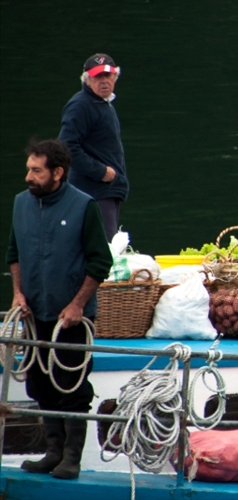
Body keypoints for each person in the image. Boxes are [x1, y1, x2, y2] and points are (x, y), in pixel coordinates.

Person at [7, 139, 112, 480]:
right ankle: (52, 452)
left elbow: (101, 261)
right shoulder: (21, 204)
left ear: (58, 172)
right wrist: (18, 294)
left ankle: (72, 457)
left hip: (72, 318)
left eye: (36, 171)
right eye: (28, 169)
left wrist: (78, 304)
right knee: (40, 385)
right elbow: (14, 253)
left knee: (72, 388)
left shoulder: (84, 206)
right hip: (35, 314)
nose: (28, 177)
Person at [57, 53, 128, 240]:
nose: (104, 81)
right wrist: (100, 171)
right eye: (98, 77)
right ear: (87, 80)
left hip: (106, 191)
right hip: (92, 192)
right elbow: (66, 146)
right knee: (101, 251)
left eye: (108, 76)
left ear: (115, 77)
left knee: (104, 248)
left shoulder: (104, 104)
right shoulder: (81, 105)